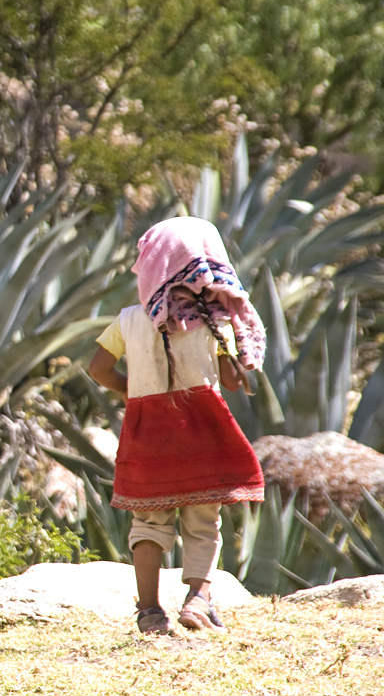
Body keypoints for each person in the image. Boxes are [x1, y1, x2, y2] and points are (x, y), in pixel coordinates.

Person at [88, 216, 265, 636]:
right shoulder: (213, 320)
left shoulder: (130, 318)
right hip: (201, 426)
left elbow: (98, 369)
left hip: (149, 429)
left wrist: (134, 391)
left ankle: (149, 612)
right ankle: (198, 601)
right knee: (204, 519)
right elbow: (230, 380)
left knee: (149, 520)